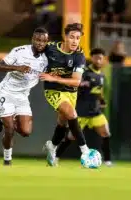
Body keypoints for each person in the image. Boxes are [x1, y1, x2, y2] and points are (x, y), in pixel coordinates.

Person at [0, 27, 49, 165]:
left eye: (43, 41)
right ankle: (7, 160)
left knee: (25, 132)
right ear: (32, 39)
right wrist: (17, 68)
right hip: (6, 92)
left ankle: (4, 119)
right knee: (9, 129)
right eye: (37, 40)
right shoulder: (20, 51)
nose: (40, 43)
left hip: (23, 96)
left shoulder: (47, 58)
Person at [39, 23, 90, 166]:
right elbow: (34, 54)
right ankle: (85, 152)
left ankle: (52, 147)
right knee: (72, 114)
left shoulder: (79, 56)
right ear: (65, 37)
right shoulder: (50, 48)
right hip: (53, 90)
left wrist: (53, 77)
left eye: (78, 38)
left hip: (71, 93)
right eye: (72, 37)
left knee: (63, 122)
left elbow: (76, 82)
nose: (75, 41)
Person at [56, 48, 113, 166]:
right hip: (81, 111)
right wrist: (81, 84)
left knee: (106, 133)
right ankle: (55, 156)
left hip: (95, 111)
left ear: (103, 60)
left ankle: (107, 161)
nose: (98, 60)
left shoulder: (101, 75)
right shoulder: (84, 72)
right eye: (96, 57)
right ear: (91, 58)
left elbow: (98, 91)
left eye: (100, 58)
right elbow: (73, 83)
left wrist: (101, 99)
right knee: (71, 137)